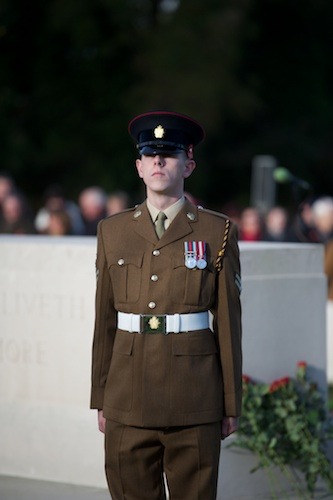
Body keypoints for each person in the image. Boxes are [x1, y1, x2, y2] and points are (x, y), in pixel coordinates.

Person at [90, 111, 242, 500]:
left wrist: (229, 404)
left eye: (170, 154)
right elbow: (105, 321)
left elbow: (227, 322)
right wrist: (100, 397)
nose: (159, 161)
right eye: (150, 154)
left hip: (194, 400)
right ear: (139, 166)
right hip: (127, 398)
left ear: (188, 164)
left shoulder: (216, 230)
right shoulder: (113, 230)